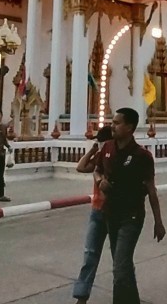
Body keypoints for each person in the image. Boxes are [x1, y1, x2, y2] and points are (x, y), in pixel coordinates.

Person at [96, 108, 165, 304]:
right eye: (112, 121)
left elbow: (152, 191)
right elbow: (96, 170)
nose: (112, 125)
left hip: (132, 215)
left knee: (120, 267)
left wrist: (158, 222)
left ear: (130, 127)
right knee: (123, 264)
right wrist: (100, 180)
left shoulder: (142, 156)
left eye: (117, 123)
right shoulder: (107, 148)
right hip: (111, 213)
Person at [72, 125, 113, 304]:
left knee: (120, 258)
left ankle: (125, 295)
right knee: (90, 254)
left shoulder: (120, 158)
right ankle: (81, 296)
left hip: (115, 212)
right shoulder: (99, 158)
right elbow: (81, 167)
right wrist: (94, 148)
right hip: (97, 211)